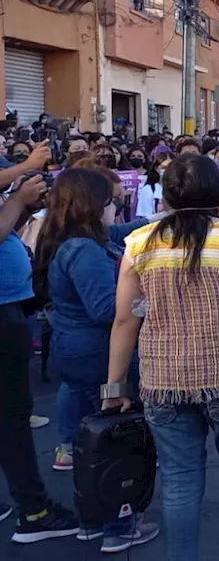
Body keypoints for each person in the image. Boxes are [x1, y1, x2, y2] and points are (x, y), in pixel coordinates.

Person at [104, 153, 219, 560]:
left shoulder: (139, 243)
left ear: (167, 195)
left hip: (162, 380)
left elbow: (124, 320)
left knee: (179, 483)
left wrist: (115, 385)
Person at [31, 167, 161, 552]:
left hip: (79, 352)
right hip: (98, 355)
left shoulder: (74, 240)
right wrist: (152, 303)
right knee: (115, 441)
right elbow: (107, 307)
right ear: (93, 205)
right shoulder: (83, 251)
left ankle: (91, 518)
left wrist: (159, 220)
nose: (115, 207)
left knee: (94, 442)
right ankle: (118, 524)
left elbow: (122, 233)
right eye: (110, 201)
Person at [0, 175, 84, 544]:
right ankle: (34, 511)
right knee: (11, 418)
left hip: (10, 309)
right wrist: (18, 198)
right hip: (2, 316)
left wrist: (21, 204)